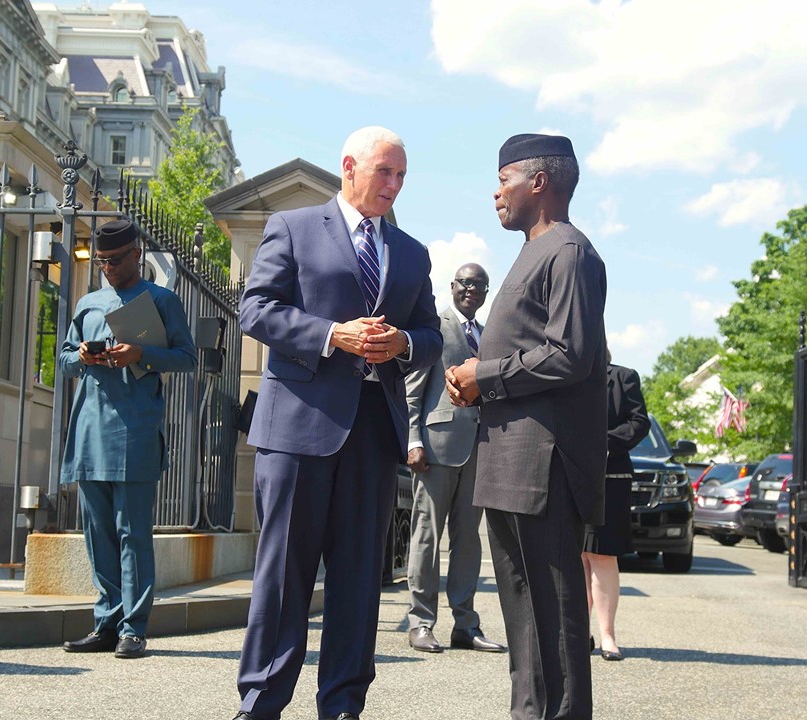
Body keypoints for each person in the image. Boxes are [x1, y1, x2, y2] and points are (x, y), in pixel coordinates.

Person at [233, 126, 442, 720]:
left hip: (373, 434)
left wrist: (402, 343)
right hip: (296, 430)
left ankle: (344, 705)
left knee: (358, 580)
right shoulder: (294, 227)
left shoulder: (411, 253)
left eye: (402, 176)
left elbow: (430, 335)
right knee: (283, 576)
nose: (395, 185)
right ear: (350, 167)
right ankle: (261, 701)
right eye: (385, 172)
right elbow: (255, 309)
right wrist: (332, 335)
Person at [446, 134, 608, 720]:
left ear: (538, 183)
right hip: (509, 461)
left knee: (555, 615)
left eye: (504, 179)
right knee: (522, 613)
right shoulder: (532, 252)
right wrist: (475, 383)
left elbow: (571, 355)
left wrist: (485, 375)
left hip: (545, 467)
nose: (496, 192)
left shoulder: (569, 252)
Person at [59, 219, 197, 659]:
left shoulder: (162, 301)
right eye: (101, 261)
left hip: (136, 431)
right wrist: (82, 355)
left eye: (116, 260)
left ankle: (133, 629)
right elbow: (63, 358)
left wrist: (141, 354)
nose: (108, 268)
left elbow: (187, 358)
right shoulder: (88, 303)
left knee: (132, 534)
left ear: (137, 254)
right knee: (98, 534)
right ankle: (106, 623)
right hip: (90, 431)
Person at [405, 263, 505, 655]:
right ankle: (421, 622)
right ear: (452, 286)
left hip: (479, 448)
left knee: (468, 543)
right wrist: (413, 440)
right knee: (427, 537)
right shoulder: (436, 326)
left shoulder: (490, 334)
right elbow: (413, 388)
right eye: (466, 283)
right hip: (435, 449)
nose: (472, 290)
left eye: (480, 285)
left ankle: (465, 625)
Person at [583, 355, 650, 662]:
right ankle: (578, 633)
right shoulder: (566, 376)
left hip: (610, 478)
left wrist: (601, 441)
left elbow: (639, 422)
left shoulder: (624, 377)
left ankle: (607, 636)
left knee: (601, 554)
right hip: (569, 476)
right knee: (574, 557)